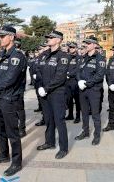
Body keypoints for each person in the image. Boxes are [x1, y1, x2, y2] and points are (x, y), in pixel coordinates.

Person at [0, 25, 26, 176]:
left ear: (12, 37)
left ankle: (16, 162)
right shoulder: (1, 53)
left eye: (3, 36)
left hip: (8, 98)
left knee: (12, 132)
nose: (0, 39)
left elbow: (10, 78)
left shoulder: (17, 56)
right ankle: (3, 154)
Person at [36, 30, 69, 159]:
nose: (48, 39)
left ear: (58, 40)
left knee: (59, 120)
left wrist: (47, 88)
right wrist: (40, 86)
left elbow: (60, 76)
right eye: (48, 37)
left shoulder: (63, 56)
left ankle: (64, 148)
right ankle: (49, 142)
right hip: (44, 92)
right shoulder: (44, 55)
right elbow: (37, 70)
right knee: (48, 119)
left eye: (51, 37)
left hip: (57, 93)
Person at [75, 36, 106, 145]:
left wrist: (87, 83)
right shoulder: (83, 58)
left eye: (88, 43)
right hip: (82, 90)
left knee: (95, 114)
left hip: (94, 90)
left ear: (94, 45)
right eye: (85, 44)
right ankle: (85, 131)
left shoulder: (100, 58)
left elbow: (99, 75)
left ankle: (96, 135)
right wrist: (79, 81)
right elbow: (78, 71)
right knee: (84, 112)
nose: (86, 45)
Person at [65, 41, 81, 123]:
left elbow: (77, 69)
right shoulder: (67, 57)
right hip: (67, 82)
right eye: (70, 47)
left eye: (73, 47)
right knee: (69, 99)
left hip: (75, 81)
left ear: (76, 48)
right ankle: (70, 115)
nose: (71, 49)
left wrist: (69, 74)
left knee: (77, 100)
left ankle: (78, 116)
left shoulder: (79, 58)